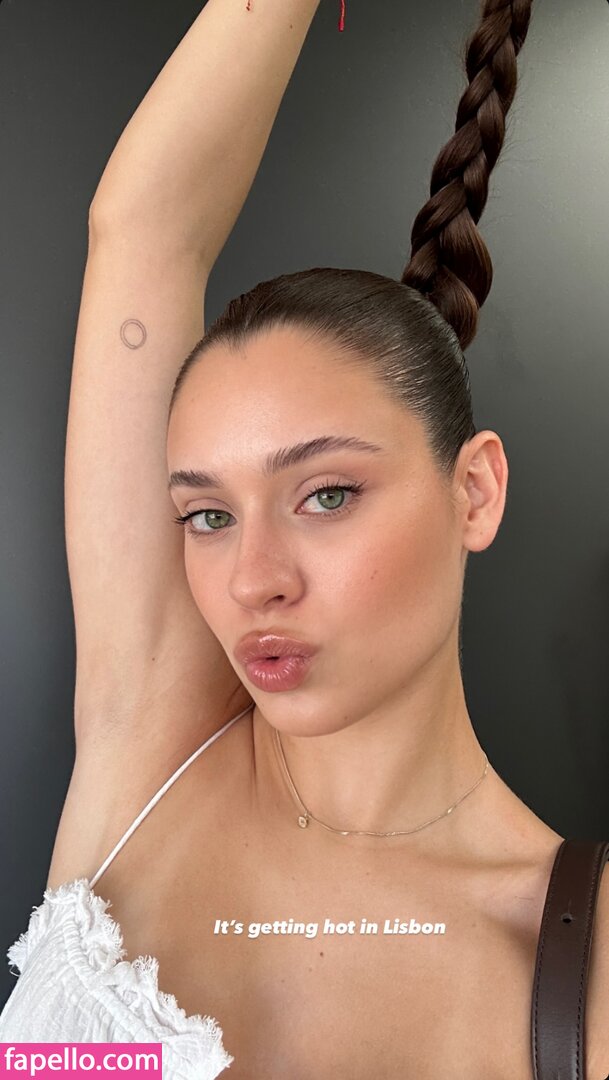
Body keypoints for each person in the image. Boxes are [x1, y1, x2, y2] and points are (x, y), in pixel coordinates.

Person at [1, 1, 607, 1077]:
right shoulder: (155, 743)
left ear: (474, 493)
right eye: (208, 515)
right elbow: (141, 227)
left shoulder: (580, 972)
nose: (252, 582)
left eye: (326, 495)